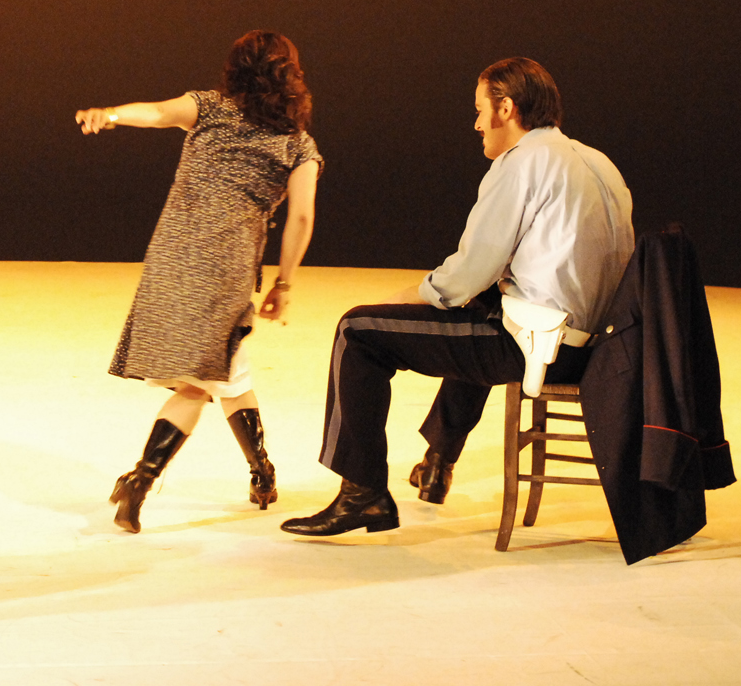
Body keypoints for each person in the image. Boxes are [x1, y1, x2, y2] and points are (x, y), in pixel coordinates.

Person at [280, 57, 633, 537]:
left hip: (539, 348)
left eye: (480, 110)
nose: (476, 124)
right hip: (598, 348)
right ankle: (438, 461)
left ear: (506, 108)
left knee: (357, 331)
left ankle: (363, 494)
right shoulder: (597, 161)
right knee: (481, 310)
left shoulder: (522, 163)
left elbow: (467, 273)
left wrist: (408, 296)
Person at [76, 30, 322, 533]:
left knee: (229, 371)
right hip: (226, 265)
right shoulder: (298, 144)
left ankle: (262, 471)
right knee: (197, 383)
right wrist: (284, 284)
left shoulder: (209, 108)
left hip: (172, 254)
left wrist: (111, 114)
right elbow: (300, 218)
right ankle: (142, 479)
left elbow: (157, 112)